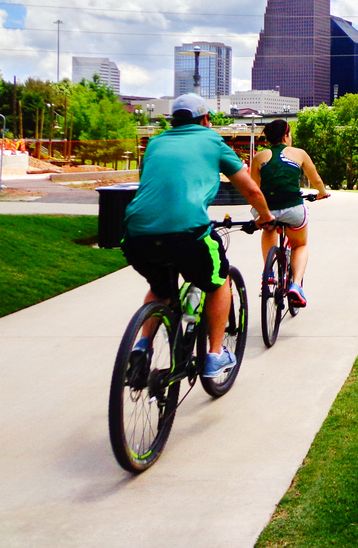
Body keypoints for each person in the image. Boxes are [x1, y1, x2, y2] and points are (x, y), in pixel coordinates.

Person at [122, 93, 274, 380]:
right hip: (187, 232)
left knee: (161, 288)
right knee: (219, 280)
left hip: (136, 234)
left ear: (173, 121)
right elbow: (251, 190)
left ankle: (142, 346)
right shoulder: (213, 141)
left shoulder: (154, 142)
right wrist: (265, 217)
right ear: (206, 120)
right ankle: (214, 355)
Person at [249, 118, 328, 308]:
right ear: (286, 135)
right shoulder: (299, 153)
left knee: (269, 228)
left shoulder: (259, 157)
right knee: (300, 245)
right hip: (293, 208)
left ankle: (268, 273)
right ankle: (295, 285)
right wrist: (322, 193)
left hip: (268, 209)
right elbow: (315, 178)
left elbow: (254, 187)